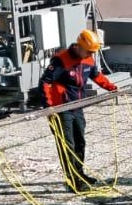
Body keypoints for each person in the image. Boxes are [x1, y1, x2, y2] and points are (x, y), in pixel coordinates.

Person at [41, 29, 119, 191]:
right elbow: (45, 83)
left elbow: (97, 76)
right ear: (79, 46)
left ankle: (79, 173)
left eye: (92, 52)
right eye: (89, 51)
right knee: (67, 144)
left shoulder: (88, 59)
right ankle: (72, 179)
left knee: (80, 142)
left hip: (77, 107)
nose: (91, 54)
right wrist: (49, 107)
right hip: (61, 109)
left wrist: (112, 88)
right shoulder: (60, 60)